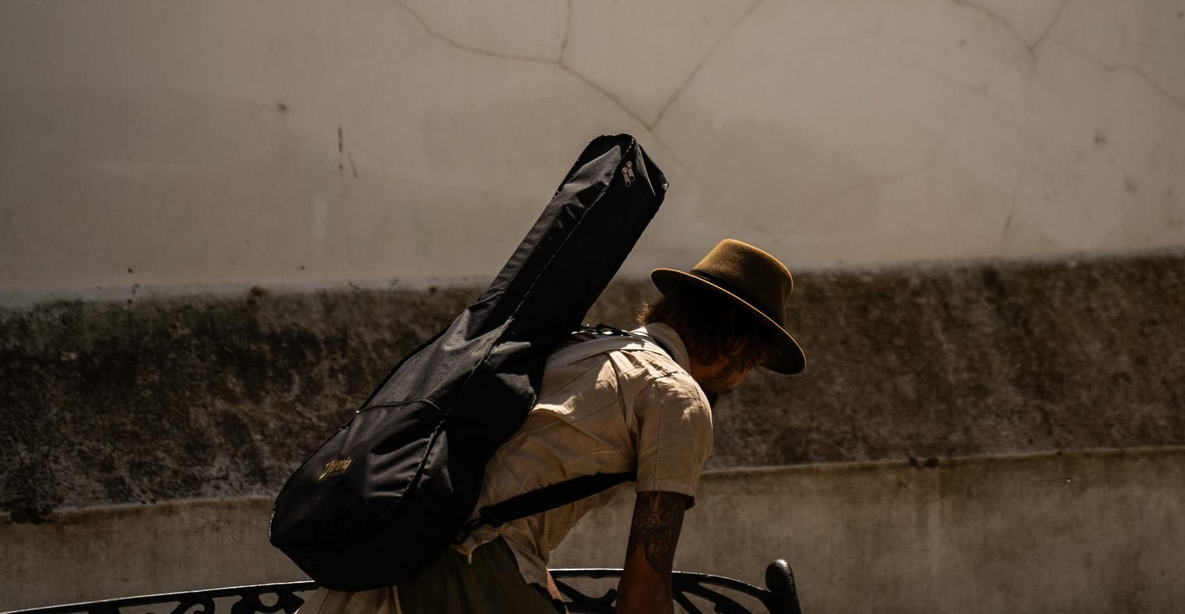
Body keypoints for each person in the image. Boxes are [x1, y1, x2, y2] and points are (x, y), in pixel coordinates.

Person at [298, 239, 805, 614]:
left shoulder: (578, 345)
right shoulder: (677, 395)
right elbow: (645, 583)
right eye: (754, 363)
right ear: (737, 348)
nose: (743, 379)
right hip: (465, 569)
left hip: (391, 550)